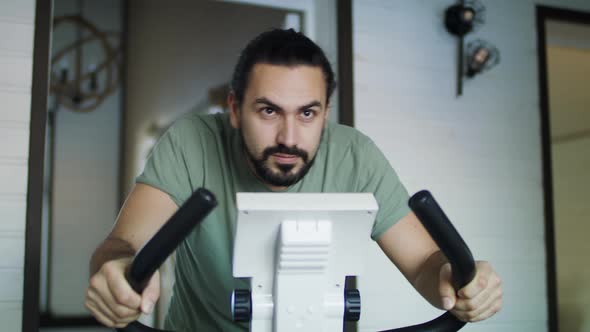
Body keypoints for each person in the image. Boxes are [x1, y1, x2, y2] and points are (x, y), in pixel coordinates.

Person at [85, 28, 502, 331]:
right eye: (268, 111)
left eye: (307, 113)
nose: (288, 138)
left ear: (325, 111)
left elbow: (425, 265)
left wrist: (456, 281)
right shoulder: (191, 142)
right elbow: (124, 245)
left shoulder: (355, 156)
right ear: (234, 108)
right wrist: (116, 272)